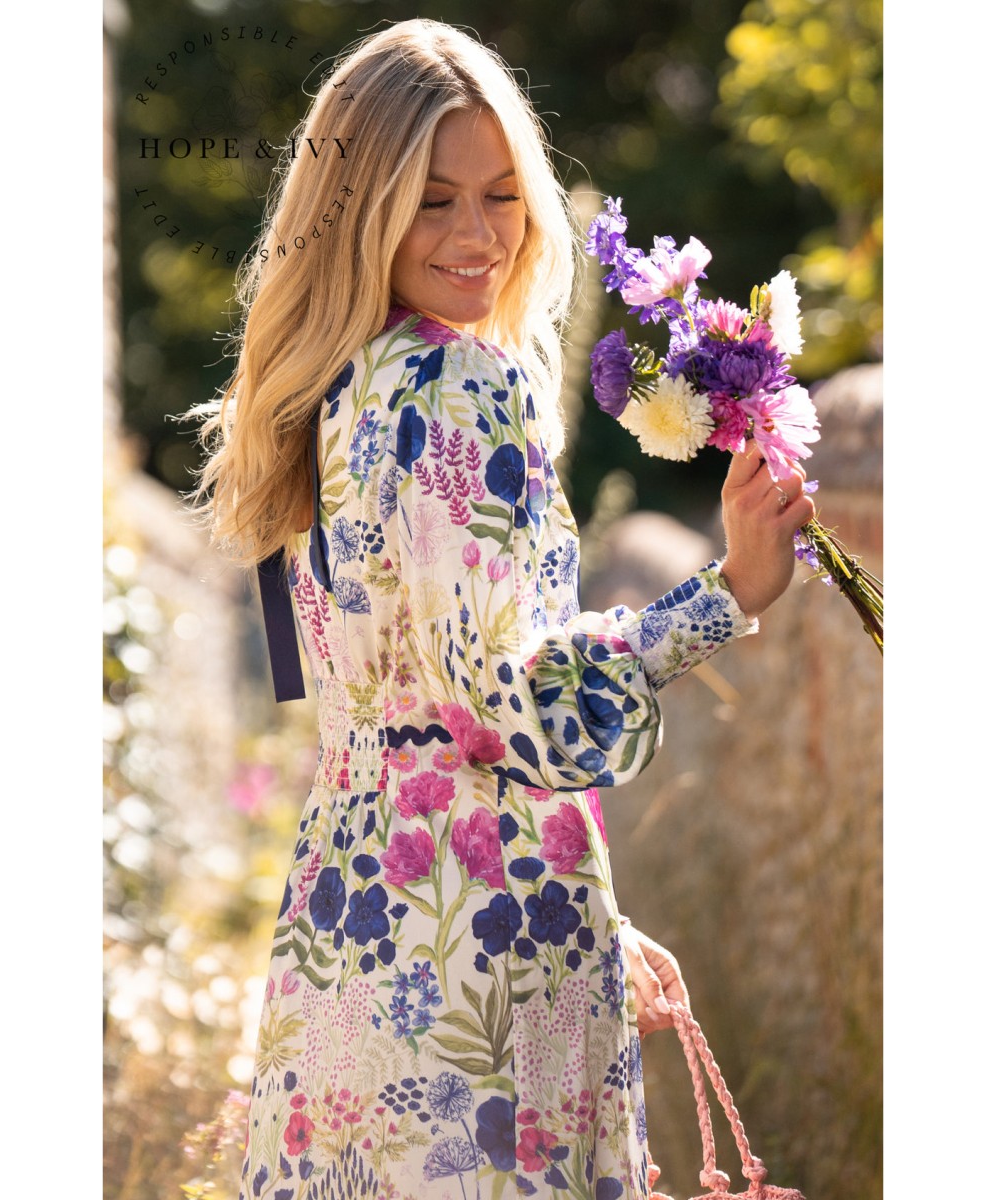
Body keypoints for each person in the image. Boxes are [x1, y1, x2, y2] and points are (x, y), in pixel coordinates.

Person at [194, 19, 813, 1200]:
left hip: (347, 930)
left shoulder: (320, 400)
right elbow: (517, 709)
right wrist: (727, 593)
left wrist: (594, 911)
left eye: (500, 197)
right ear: (360, 211)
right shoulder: (467, 384)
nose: (478, 236)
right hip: (486, 963)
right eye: (433, 202)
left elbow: (406, 713)